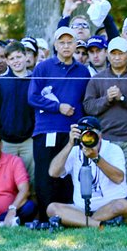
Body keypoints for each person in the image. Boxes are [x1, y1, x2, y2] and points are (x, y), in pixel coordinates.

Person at [28, 26, 91, 226]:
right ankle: (48, 220)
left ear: (76, 45)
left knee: (69, 176)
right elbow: (32, 97)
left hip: (72, 131)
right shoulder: (43, 67)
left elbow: (86, 102)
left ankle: (68, 219)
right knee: (46, 176)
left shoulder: (83, 71)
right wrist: (57, 107)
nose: (66, 46)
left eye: (69, 42)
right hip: (47, 130)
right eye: (62, 42)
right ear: (55, 45)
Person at [83, 37, 127, 201]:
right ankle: (112, 218)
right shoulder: (98, 79)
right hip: (107, 140)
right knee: (107, 183)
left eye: (120, 53)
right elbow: (88, 106)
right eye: (113, 53)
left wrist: (123, 98)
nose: (116, 57)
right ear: (107, 55)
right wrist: (106, 99)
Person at [47, 116, 127, 228]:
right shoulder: (75, 151)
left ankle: (79, 222)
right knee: (52, 208)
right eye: (84, 134)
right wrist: (70, 144)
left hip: (110, 206)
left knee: (123, 206)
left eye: (91, 134)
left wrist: (96, 158)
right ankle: (99, 225)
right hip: (82, 210)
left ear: (100, 136)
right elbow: (53, 172)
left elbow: (118, 178)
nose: (88, 138)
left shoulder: (113, 149)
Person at [0, 42, 35, 187]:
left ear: (25, 56)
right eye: (12, 58)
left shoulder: (34, 80)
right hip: (7, 140)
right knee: (8, 179)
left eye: (19, 56)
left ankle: (33, 207)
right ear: (7, 61)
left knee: (31, 177)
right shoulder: (2, 82)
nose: (16, 61)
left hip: (29, 139)